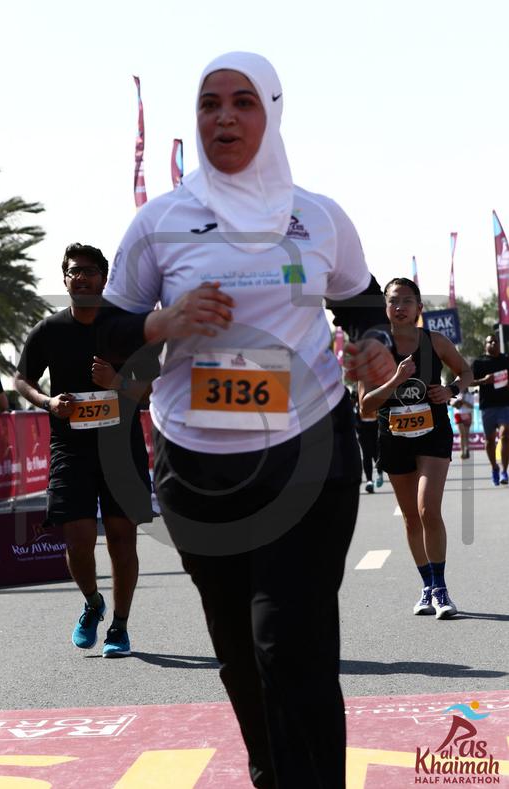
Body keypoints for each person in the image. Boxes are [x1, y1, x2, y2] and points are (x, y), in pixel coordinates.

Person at [98, 52, 396, 788]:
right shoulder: (160, 223)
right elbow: (103, 332)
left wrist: (373, 344)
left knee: (289, 640)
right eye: (209, 103)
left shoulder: (318, 216)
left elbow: (361, 300)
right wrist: (162, 322)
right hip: (197, 465)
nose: (224, 117)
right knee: (239, 649)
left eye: (242, 102)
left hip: (309, 449)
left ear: (272, 112)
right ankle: (272, 769)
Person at [14, 243, 157, 658]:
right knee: (77, 541)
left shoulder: (126, 327)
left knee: (121, 538)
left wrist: (117, 382)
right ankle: (93, 602)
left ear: (103, 278)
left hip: (121, 448)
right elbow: (22, 379)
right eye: (74, 271)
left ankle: (120, 627)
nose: (82, 278)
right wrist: (47, 402)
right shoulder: (50, 330)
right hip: (71, 447)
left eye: (90, 271)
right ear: (65, 279)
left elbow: (149, 391)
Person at [361, 278, 472, 620]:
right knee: (411, 517)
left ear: (419, 308)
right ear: (385, 307)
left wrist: (451, 390)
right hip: (393, 437)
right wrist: (394, 380)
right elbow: (365, 405)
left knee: (427, 509)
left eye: (407, 301)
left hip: (433, 434)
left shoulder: (435, 341)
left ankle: (441, 588)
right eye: (394, 300)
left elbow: (465, 372)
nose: (400, 307)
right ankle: (426, 585)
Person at [471, 333, 509, 485]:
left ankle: (504, 471)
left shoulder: (506, 359)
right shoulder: (479, 362)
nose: (493, 344)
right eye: (490, 342)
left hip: (505, 405)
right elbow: (467, 381)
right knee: (489, 441)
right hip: (487, 407)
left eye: (496, 341)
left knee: (505, 435)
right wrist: (484, 381)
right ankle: (494, 467)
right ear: (485, 345)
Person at [350, 388, 384, 493]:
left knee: (376, 453)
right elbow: (353, 413)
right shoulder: (357, 396)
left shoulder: (375, 392)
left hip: (376, 428)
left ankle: (379, 472)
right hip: (363, 429)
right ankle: (369, 481)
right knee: (366, 454)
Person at [449, 386, 474, 459]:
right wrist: (457, 402)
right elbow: (451, 404)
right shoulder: (456, 394)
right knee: (462, 434)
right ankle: (463, 452)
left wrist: (463, 401)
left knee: (466, 434)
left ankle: (467, 448)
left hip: (467, 414)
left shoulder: (470, 395)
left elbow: (471, 406)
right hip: (458, 414)